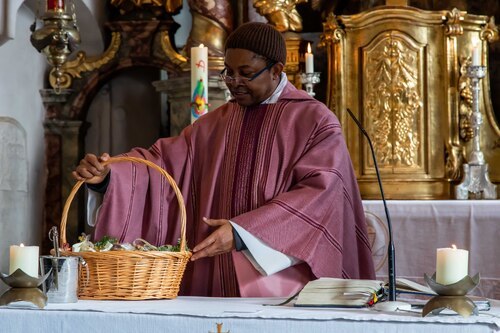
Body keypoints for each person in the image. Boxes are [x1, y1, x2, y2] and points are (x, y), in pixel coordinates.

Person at [73, 22, 375, 297]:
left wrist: (245, 233)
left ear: (276, 70)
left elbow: (321, 196)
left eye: (246, 73)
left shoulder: (315, 121)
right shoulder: (216, 123)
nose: (234, 82)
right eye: (229, 72)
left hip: (284, 281)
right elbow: (163, 165)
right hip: (214, 276)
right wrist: (110, 175)